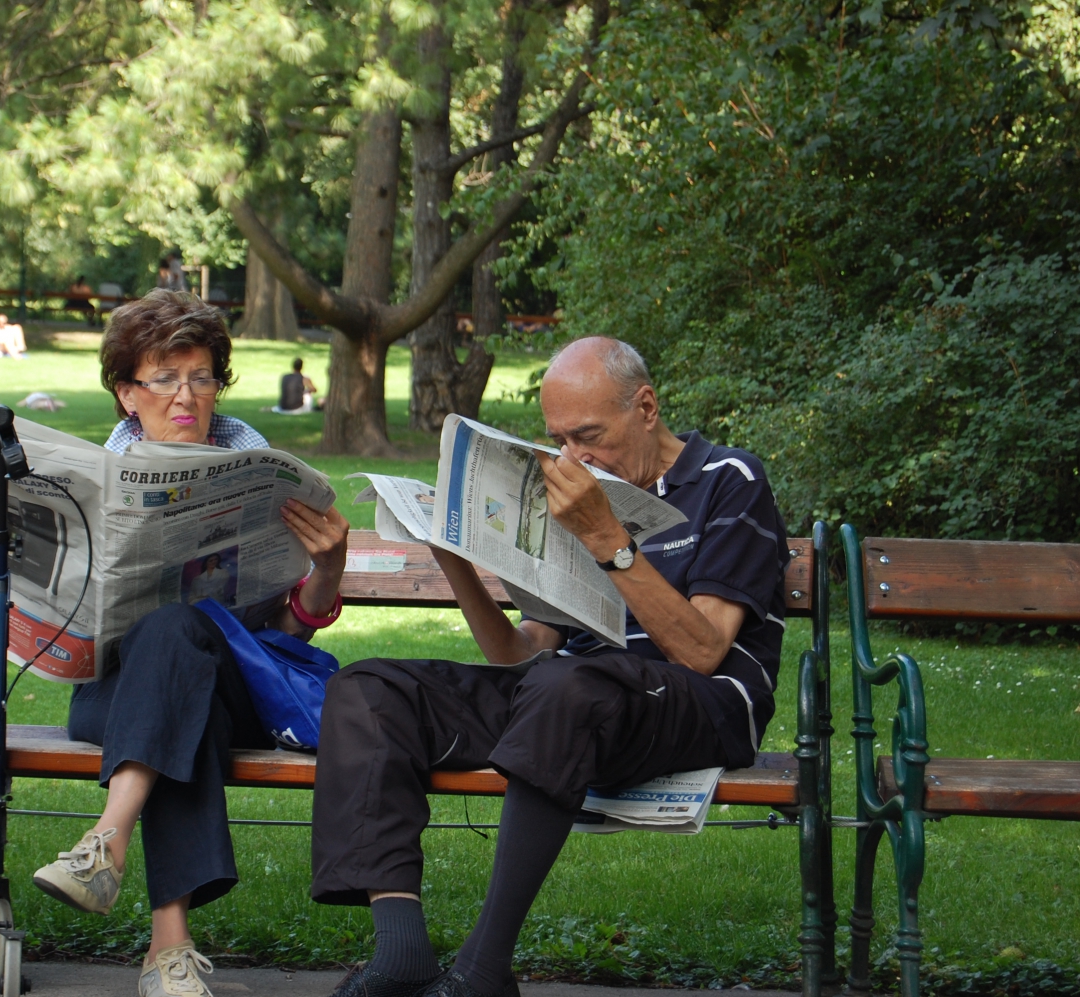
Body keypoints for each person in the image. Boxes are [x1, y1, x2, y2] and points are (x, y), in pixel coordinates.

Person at [0, 289, 350, 997]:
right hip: (107, 693)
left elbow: (292, 628)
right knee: (176, 696)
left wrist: (326, 567)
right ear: (125, 392)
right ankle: (166, 948)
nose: (186, 396)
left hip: (240, 690)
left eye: (202, 376)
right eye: (164, 378)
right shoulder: (91, 475)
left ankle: (105, 844)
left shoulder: (259, 469)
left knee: (179, 641)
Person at [309, 337, 789, 997]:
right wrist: (454, 557)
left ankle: (483, 969)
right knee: (369, 688)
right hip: (571, 700)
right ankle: (401, 951)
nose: (575, 458)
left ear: (645, 407)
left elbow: (704, 650)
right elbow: (517, 656)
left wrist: (606, 538)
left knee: (567, 685)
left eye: (589, 435)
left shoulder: (729, 480)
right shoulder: (581, 492)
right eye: (560, 440)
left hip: (694, 703)